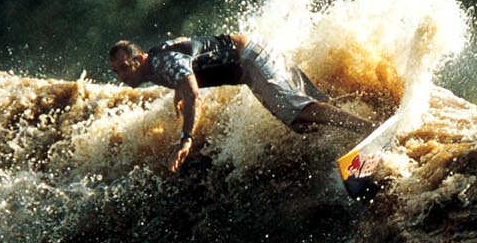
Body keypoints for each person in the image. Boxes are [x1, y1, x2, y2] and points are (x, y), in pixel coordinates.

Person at [108, 33, 373, 171]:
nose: (122, 76)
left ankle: (369, 128)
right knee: (302, 122)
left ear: (139, 59)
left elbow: (193, 94)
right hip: (252, 57)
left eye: (124, 68)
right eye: (117, 72)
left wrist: (186, 138)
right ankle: (366, 116)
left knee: (298, 113)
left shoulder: (161, 61)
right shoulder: (156, 62)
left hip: (250, 58)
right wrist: (179, 91)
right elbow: (184, 73)